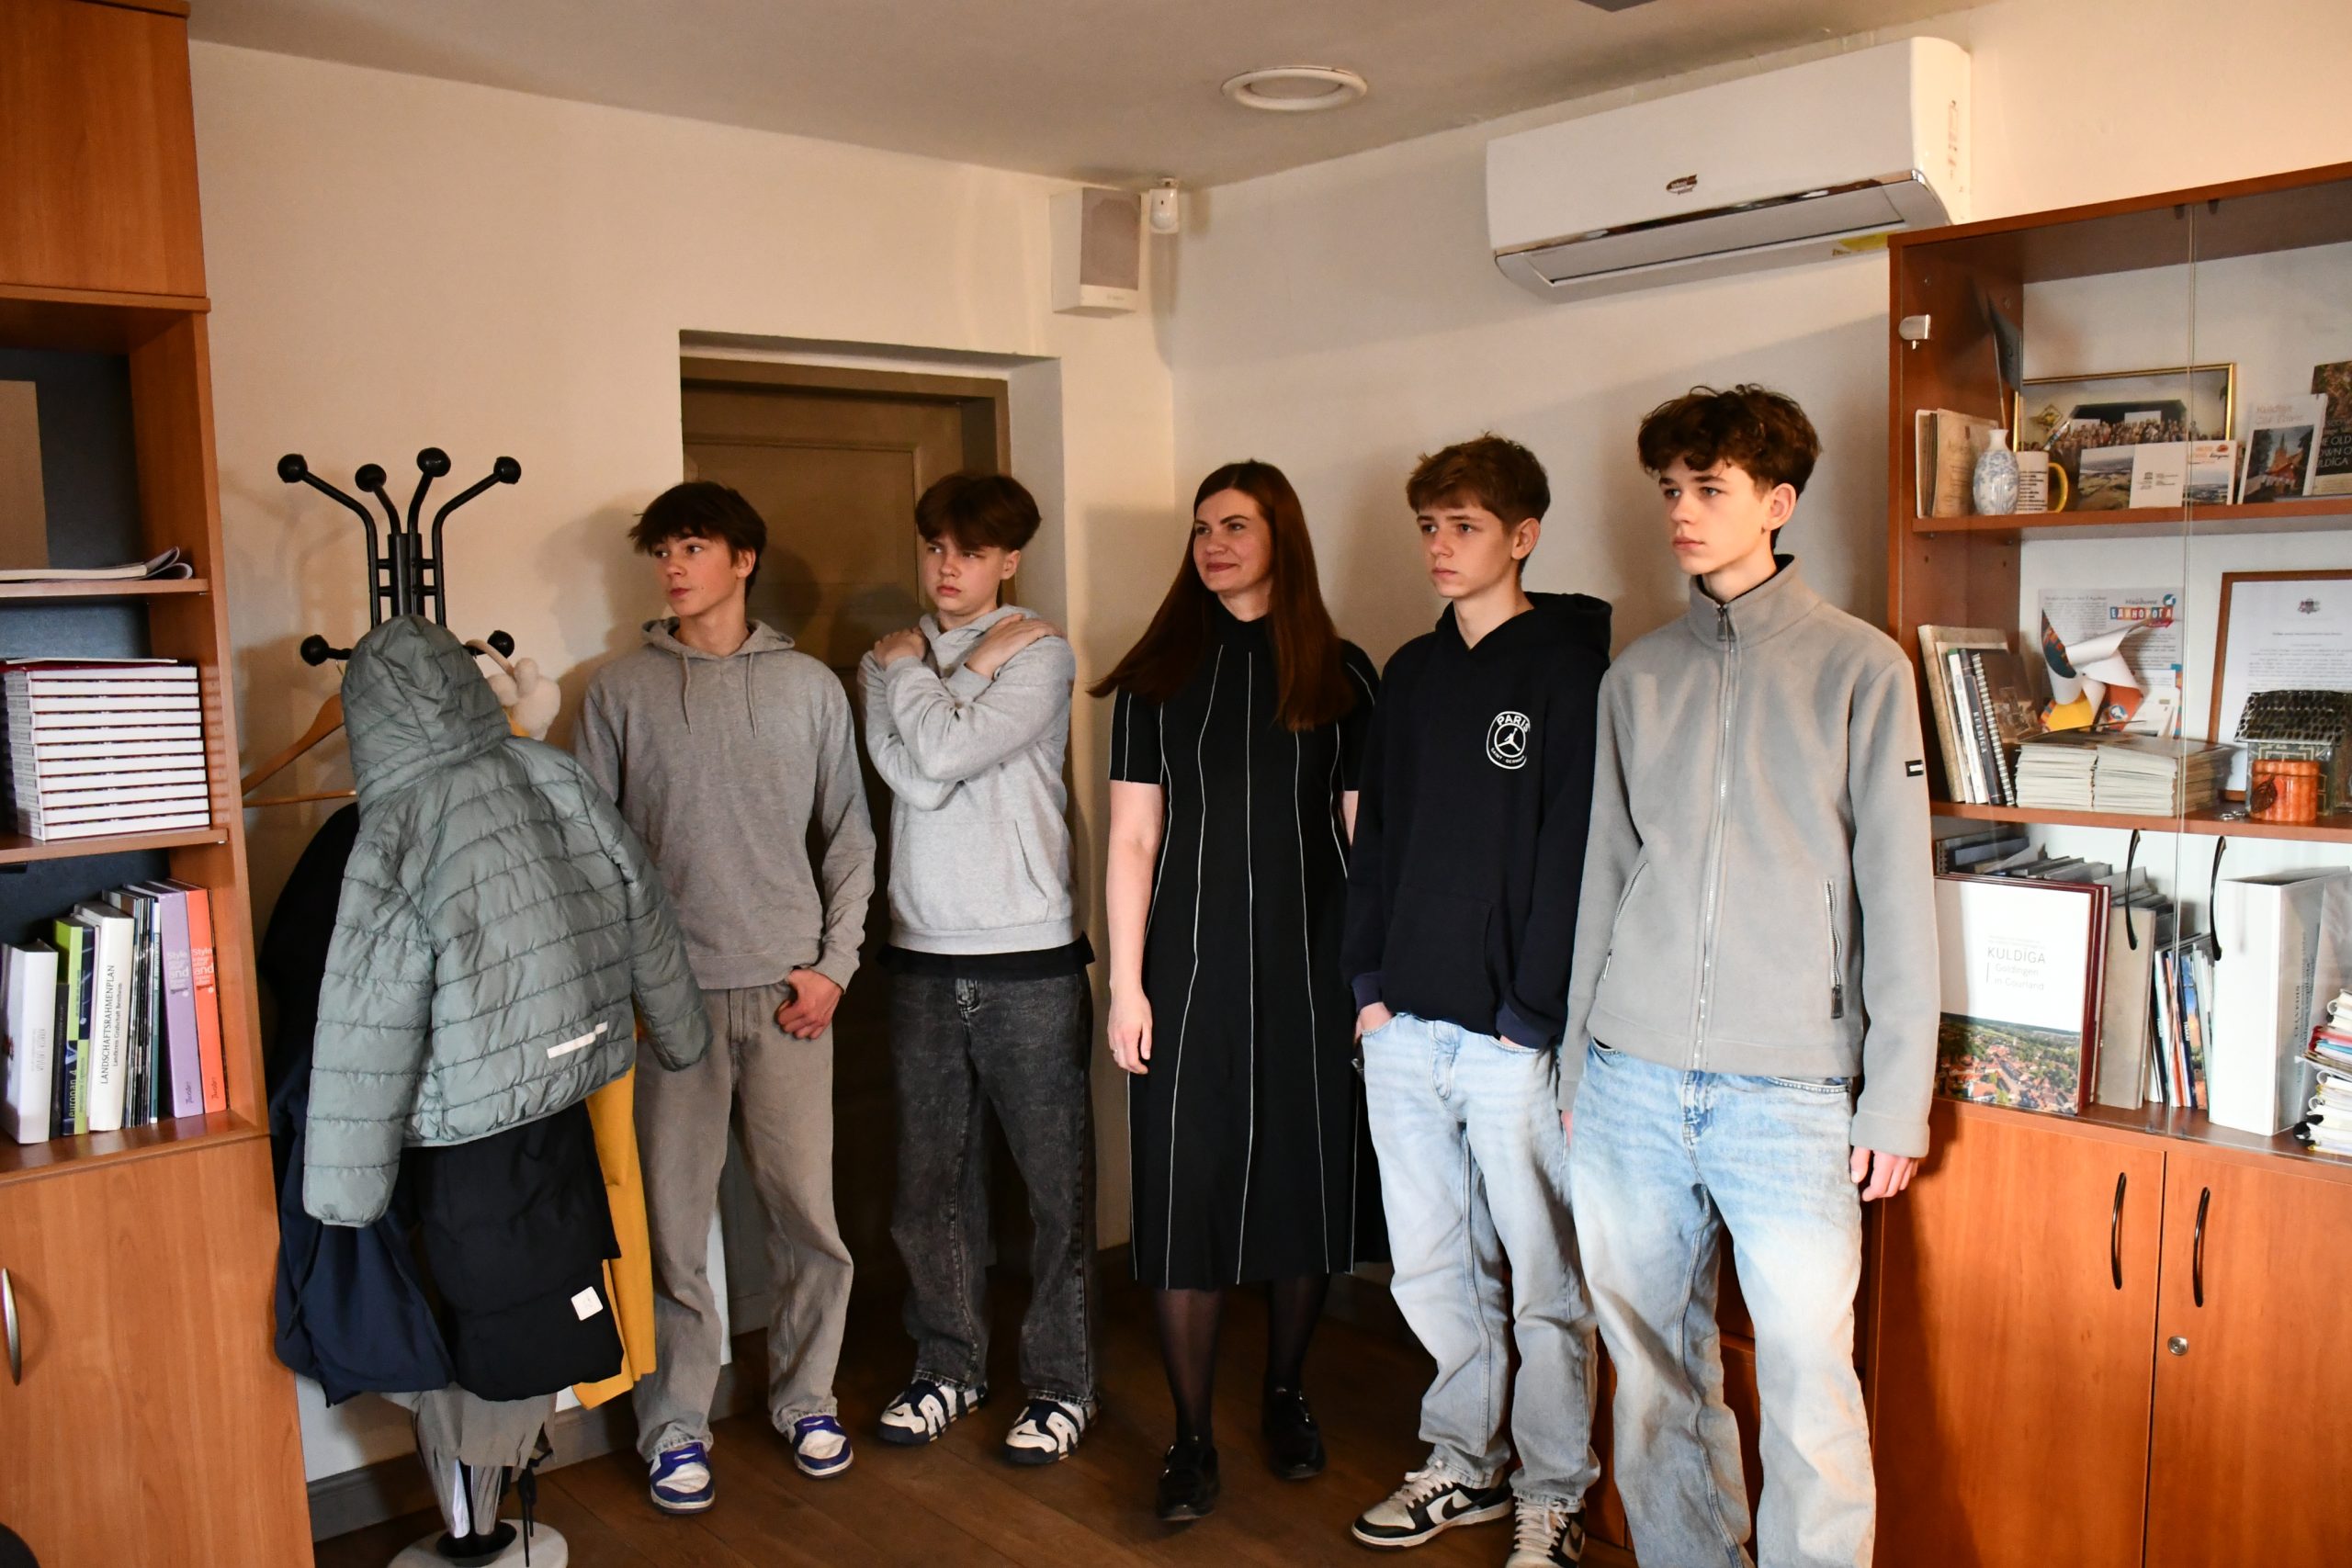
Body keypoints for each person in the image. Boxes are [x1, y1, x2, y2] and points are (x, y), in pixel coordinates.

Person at [1561, 387, 1935, 1568]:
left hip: (1790, 1094)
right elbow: (1603, 879)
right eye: (1670, 489)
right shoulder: (1635, 679)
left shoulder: (1861, 670)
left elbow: (1896, 896)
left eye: (1708, 488)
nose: (1680, 510)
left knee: (1811, 1388)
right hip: (1627, 1080)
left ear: (1775, 503)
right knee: (1651, 1379)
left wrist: (1895, 1097)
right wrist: (1576, 1067)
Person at [573, 480, 876, 1511]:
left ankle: (807, 1397)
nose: (672, 566)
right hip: (671, 1008)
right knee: (671, 1226)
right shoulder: (619, 690)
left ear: (743, 559)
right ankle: (674, 1423)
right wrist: (629, 983)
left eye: (693, 546)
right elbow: (591, 853)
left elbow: (850, 836)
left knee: (807, 1219)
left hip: (792, 999)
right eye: (662, 550)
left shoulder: (807, 687)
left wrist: (835, 966)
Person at [1094, 460, 1382, 1523]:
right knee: (1185, 1195)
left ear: (1280, 538)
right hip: (1186, 969)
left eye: (1236, 526)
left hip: (1313, 968)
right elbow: (1133, 839)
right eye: (1202, 527)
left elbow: (1364, 841)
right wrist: (1126, 987)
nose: (1213, 544)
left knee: (1305, 1182)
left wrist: (1372, 987)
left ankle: (1284, 1391)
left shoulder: (1342, 672)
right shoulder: (1157, 676)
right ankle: (1189, 1439)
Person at [1341, 434, 1611, 1568]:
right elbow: (1375, 839)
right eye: (1429, 527)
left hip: (1510, 1038)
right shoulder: (1410, 672)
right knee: (1431, 1265)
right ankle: (1463, 1462)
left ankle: (1553, 1490)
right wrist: (1367, 991)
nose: (1440, 547)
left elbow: (1574, 857)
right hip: (1404, 1023)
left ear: (1522, 535)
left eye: (1464, 526)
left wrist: (1529, 1017)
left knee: (1543, 1278)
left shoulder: (1569, 673)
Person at [856, 471, 1101, 1465]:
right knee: (930, 1186)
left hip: (1028, 955)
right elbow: (918, 776)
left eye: (969, 551)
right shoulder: (884, 658)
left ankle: (1062, 1384)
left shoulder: (1039, 651)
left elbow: (945, 753)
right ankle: (949, 1366)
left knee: (1055, 1190)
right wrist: (946, 674)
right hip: (919, 952)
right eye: (934, 548)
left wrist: (939, 675)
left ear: (1008, 559)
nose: (947, 568)